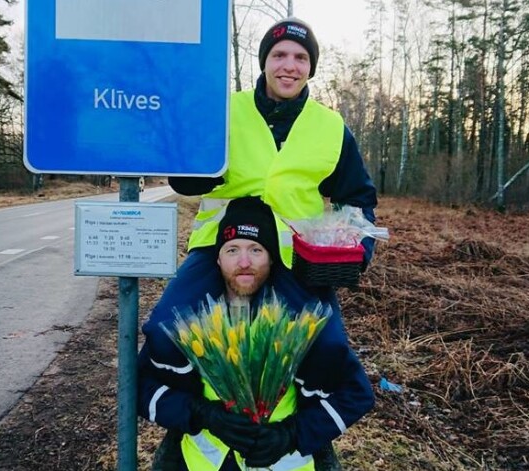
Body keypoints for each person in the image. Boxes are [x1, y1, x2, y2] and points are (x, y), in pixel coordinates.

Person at [142, 13, 377, 430]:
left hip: (297, 253)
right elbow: (183, 174)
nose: (290, 65)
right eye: (280, 54)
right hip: (221, 245)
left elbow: (357, 196)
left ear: (311, 66)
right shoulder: (224, 111)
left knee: (327, 346)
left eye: (301, 57)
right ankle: (196, 408)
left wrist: (359, 247)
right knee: (165, 329)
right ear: (264, 61)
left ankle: (299, 424)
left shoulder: (331, 127)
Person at [138, 197, 374, 470]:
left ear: (272, 258)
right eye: (232, 250)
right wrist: (201, 414)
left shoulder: (295, 321)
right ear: (217, 258)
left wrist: (291, 434)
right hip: (202, 463)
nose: (244, 262)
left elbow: (358, 394)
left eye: (256, 250)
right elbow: (141, 386)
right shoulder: (192, 318)